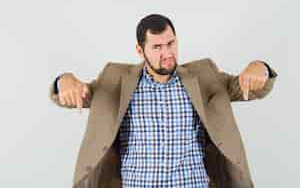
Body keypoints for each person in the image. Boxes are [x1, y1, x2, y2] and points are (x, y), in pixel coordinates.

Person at [49, 14, 277, 188]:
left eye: (171, 43)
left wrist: (260, 68)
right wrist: (64, 81)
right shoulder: (115, 77)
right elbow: (78, 94)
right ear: (140, 50)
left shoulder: (204, 74)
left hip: (192, 182)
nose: (167, 53)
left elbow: (247, 87)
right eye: (157, 47)